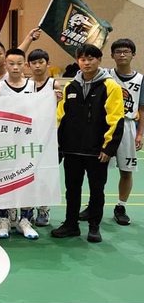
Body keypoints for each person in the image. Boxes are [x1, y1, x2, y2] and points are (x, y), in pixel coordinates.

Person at [52, 44, 124, 243]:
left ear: (99, 60)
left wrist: (108, 148)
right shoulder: (70, 86)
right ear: (78, 61)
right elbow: (60, 118)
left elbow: (116, 118)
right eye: (82, 59)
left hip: (97, 151)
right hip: (72, 150)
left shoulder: (111, 86)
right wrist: (59, 145)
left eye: (91, 58)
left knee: (97, 190)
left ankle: (94, 226)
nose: (86, 62)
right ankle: (71, 224)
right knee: (72, 190)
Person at [77, 39, 143, 227]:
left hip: (128, 125)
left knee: (126, 170)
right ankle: (93, 204)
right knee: (97, 169)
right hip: (105, 126)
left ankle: (121, 207)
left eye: (126, 51)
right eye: (118, 51)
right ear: (112, 55)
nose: (122, 55)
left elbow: (142, 108)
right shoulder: (105, 75)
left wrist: (140, 134)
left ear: (133, 54)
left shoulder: (140, 79)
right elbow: (85, 66)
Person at [0, 48, 40, 240]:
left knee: (26, 179)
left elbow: (39, 111)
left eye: (19, 64)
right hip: (5, 141)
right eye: (11, 64)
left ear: (25, 65)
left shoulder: (33, 86)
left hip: (26, 140)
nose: (15, 67)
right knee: (4, 179)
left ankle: (25, 220)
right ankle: (3, 219)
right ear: (5, 64)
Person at [27, 48, 63, 226]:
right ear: (28, 65)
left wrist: (58, 100)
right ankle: (27, 209)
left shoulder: (54, 85)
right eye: (34, 63)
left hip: (49, 137)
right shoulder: (25, 85)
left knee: (45, 174)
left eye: (41, 62)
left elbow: (62, 111)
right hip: (29, 136)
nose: (37, 66)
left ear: (48, 64)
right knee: (28, 174)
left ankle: (44, 209)